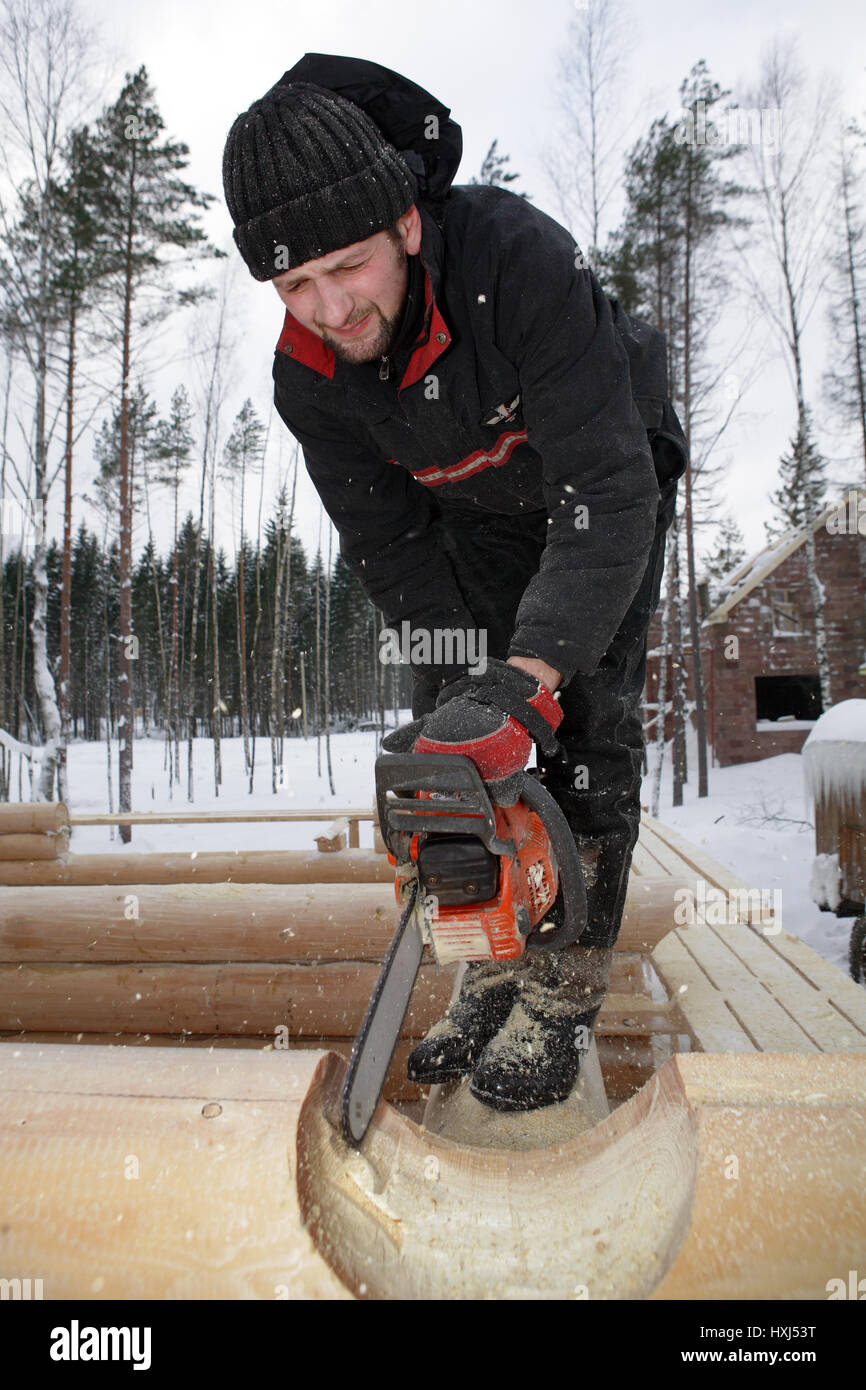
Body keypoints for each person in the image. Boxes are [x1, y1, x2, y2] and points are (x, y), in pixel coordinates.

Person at [222, 54, 688, 1112]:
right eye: (296, 285)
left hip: (597, 478)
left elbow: (606, 494)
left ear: (407, 227)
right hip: (466, 511)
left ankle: (561, 993)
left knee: (581, 725)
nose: (331, 307)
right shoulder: (309, 379)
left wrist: (527, 678)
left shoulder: (513, 261)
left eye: (347, 266)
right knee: (451, 738)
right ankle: (485, 960)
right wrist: (458, 692)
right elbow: (390, 550)